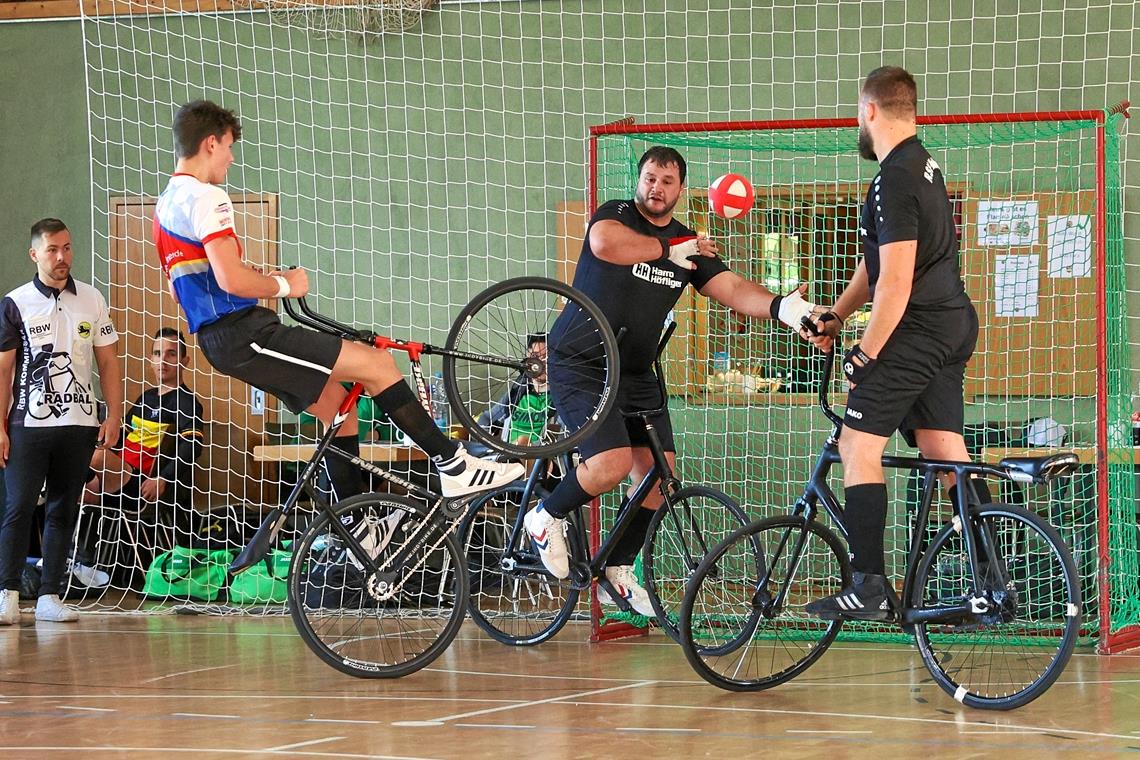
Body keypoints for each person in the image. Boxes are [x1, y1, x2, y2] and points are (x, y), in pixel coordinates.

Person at [153, 100, 523, 504]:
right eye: (227, 146)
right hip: (242, 333)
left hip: (224, 338)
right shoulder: (208, 197)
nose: (231, 156)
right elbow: (230, 278)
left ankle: (353, 522)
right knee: (378, 364)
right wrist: (283, 284)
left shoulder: (166, 205)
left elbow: (180, 288)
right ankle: (454, 465)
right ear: (209, 143)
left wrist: (240, 278)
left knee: (336, 405)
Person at [525, 146, 816, 614]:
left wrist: (784, 307)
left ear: (681, 190)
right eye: (649, 178)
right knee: (611, 464)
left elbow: (735, 290)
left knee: (660, 480)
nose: (655, 188)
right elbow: (604, 245)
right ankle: (546, 515)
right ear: (639, 182)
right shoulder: (616, 216)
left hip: (636, 370)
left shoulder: (690, 243)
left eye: (666, 181)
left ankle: (616, 570)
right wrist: (667, 250)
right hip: (580, 360)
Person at [801, 66, 986, 620]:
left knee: (859, 447)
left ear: (870, 111)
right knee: (943, 450)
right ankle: (991, 578)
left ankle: (868, 584)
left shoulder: (894, 179)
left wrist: (866, 351)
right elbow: (875, 266)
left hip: (918, 330)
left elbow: (897, 281)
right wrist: (837, 314)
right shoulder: (921, 167)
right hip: (950, 325)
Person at [0, 218, 123, 624]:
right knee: (17, 508)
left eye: (67, 248)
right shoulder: (15, 302)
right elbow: (4, 372)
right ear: (35, 254)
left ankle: (51, 595)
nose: (61, 257)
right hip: (27, 428)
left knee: (63, 509)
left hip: (80, 425)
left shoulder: (92, 299)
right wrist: (0, 426)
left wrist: (114, 414)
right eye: (52, 250)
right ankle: (8, 595)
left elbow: (107, 361)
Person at [83, 327, 204, 511]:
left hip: (143, 485)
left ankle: (91, 489)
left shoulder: (187, 402)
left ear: (184, 361)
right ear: (151, 360)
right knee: (72, 458)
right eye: (157, 353)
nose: (162, 360)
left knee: (96, 458)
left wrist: (163, 478)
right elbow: (120, 433)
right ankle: (89, 493)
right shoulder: (146, 398)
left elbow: (192, 446)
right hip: (117, 475)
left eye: (171, 354)